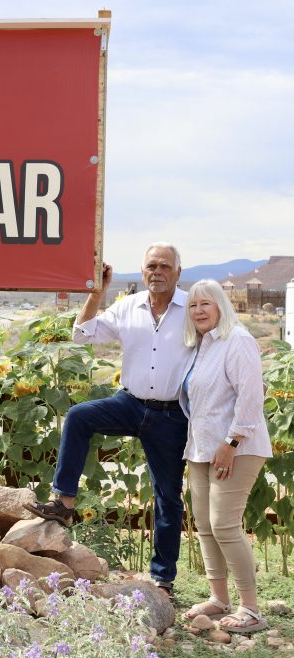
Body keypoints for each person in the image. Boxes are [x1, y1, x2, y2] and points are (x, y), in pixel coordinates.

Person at [25, 243, 195, 595]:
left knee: (168, 497)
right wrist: (97, 294)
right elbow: (82, 334)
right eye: (151, 265)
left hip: (171, 415)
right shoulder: (128, 306)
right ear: (143, 270)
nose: (157, 271)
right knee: (79, 416)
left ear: (178, 271)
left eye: (165, 265)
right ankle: (64, 503)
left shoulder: (192, 309)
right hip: (130, 402)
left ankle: (163, 578)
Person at [179, 279, 270, 632]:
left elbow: (250, 398)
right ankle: (219, 599)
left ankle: (251, 609)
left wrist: (231, 443)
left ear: (221, 306)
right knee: (204, 525)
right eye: (193, 306)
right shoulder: (202, 345)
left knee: (225, 525)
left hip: (238, 448)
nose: (199, 311)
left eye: (206, 304)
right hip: (201, 449)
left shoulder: (238, 341)